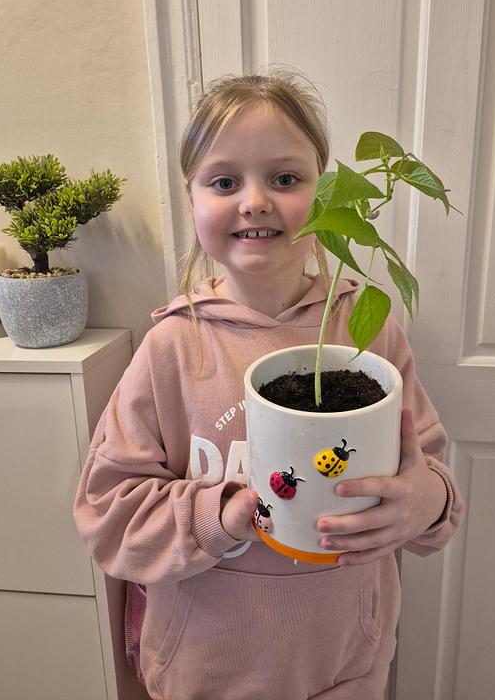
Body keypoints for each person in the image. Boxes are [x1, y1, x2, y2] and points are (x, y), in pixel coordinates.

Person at [74, 70, 464, 700]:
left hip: (344, 667)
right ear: (192, 198)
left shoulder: (367, 333)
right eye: (224, 181)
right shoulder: (174, 347)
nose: (254, 201)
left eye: (285, 179)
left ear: (327, 191)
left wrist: (426, 502)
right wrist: (215, 515)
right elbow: (108, 516)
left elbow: (430, 473)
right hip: (205, 672)